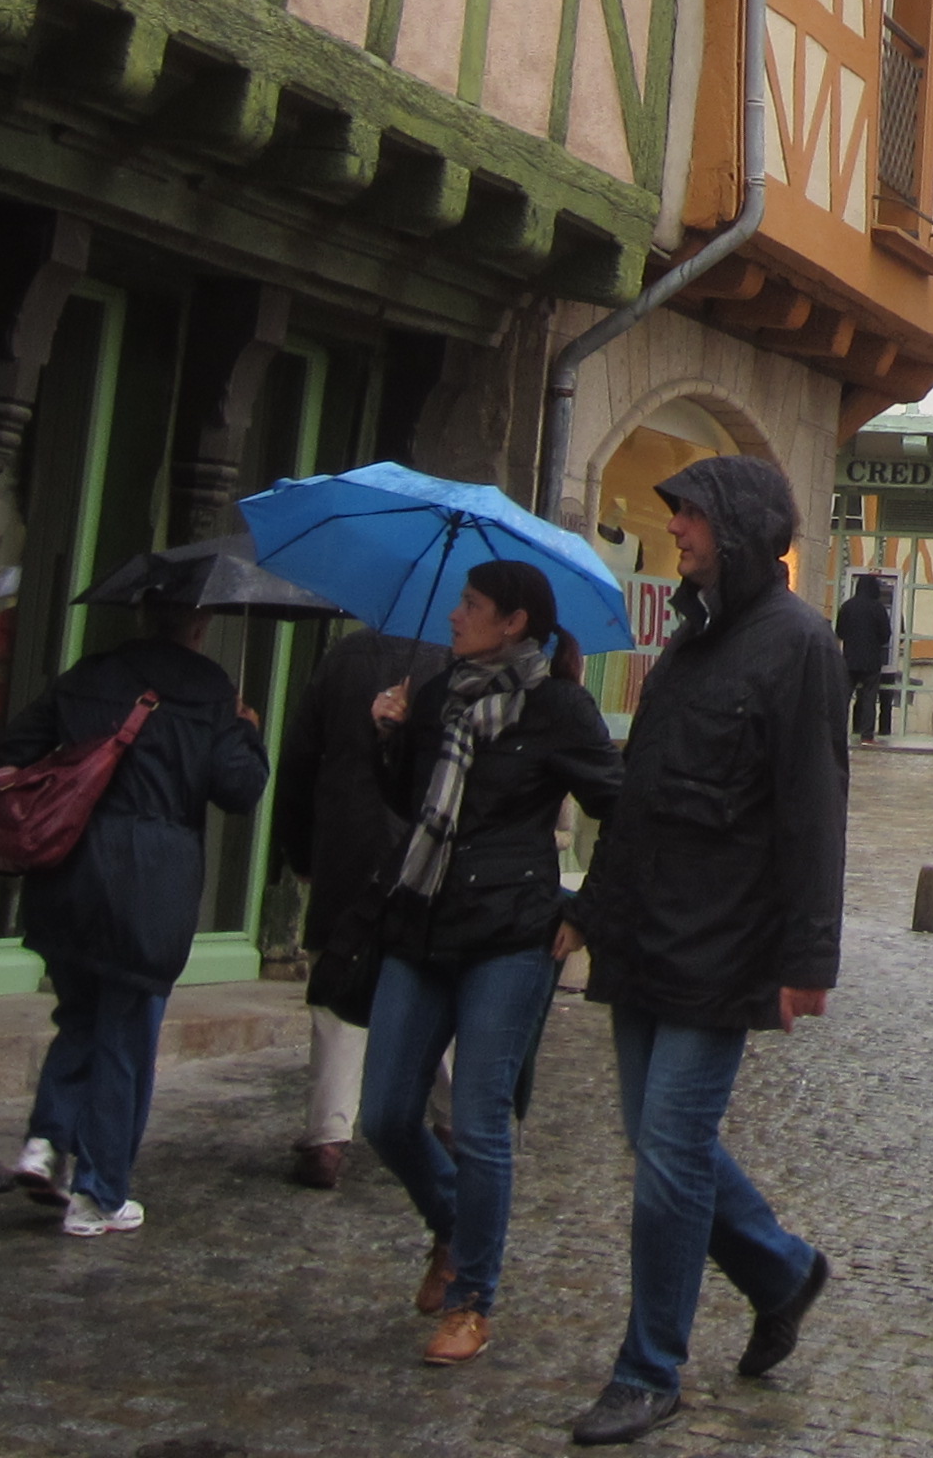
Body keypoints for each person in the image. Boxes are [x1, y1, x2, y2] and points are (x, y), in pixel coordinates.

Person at [561, 453, 847, 1447]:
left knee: (671, 1152)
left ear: (736, 528)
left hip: (725, 942)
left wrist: (808, 960)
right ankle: (781, 1270)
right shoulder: (688, 644)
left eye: (688, 515)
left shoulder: (801, 645)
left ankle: (650, 1370)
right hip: (645, 930)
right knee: (655, 1142)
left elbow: (814, 811)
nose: (674, 528)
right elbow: (639, 795)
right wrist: (591, 908)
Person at [360, 560, 620, 1370]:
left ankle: (473, 1299)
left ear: (513, 622)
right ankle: (452, 1223)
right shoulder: (439, 693)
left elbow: (623, 809)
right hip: (423, 922)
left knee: (479, 1123)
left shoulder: (558, 707)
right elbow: (413, 804)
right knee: (385, 1113)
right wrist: (389, 735)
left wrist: (584, 911)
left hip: (511, 931)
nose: (454, 615)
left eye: (470, 605)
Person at [0, 592, 267, 1239]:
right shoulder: (210, 691)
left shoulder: (89, 673)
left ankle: (46, 1139)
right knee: (126, 1037)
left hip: (69, 869)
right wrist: (245, 730)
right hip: (151, 881)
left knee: (79, 1015)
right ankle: (99, 1193)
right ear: (199, 622)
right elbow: (239, 788)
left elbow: (14, 752)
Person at [271, 614, 443, 1187]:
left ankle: (327, 1134)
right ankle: (452, 1123)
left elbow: (299, 760)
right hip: (423, 848)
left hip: (348, 841)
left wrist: (300, 849)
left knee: (338, 981)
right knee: (433, 982)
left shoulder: (343, 657)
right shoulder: (455, 667)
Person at [833, 572, 898, 744]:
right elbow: (885, 635)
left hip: (849, 660)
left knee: (844, 698)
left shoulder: (847, 606)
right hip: (871, 661)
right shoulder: (878, 608)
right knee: (869, 698)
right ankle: (867, 736)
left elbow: (839, 632)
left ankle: (838, 734)